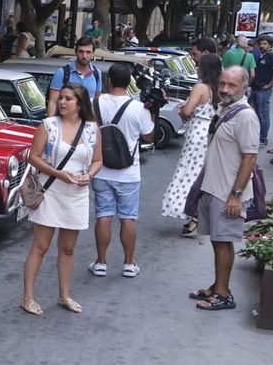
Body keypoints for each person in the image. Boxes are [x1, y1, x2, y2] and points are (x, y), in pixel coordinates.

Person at [20, 83, 101, 315]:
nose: (62, 102)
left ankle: (64, 295)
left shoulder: (92, 129)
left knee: (68, 248)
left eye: (69, 99)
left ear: (80, 103)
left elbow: (98, 160)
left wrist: (89, 175)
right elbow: (33, 158)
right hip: (51, 190)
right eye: (61, 98)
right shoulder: (48, 125)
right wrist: (59, 174)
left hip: (77, 193)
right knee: (41, 246)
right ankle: (28, 297)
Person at [189, 65, 260, 311]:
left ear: (244, 87)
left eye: (232, 85)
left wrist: (236, 195)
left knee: (223, 241)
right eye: (223, 84)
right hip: (214, 188)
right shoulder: (224, 108)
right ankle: (218, 286)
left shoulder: (246, 116)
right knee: (218, 241)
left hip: (228, 193)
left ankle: (223, 294)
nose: (225, 89)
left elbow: (250, 157)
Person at [89, 64, 153, 279]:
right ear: (129, 83)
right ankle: (128, 263)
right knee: (128, 218)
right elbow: (149, 136)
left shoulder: (94, 103)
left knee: (103, 216)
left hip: (100, 169)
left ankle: (101, 263)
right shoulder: (138, 108)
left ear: (109, 81)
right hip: (129, 173)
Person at [161, 54, 221, 237]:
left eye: (199, 65)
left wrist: (183, 109)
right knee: (202, 174)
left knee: (189, 173)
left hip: (197, 133)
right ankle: (199, 215)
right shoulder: (218, 88)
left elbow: (188, 111)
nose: (196, 68)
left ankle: (193, 214)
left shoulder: (200, 87)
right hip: (211, 133)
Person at [250, 35, 273, 148]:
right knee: (257, 114)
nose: (262, 45)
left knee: (263, 115)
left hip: (264, 90)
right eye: (261, 43)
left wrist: (270, 85)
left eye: (265, 44)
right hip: (256, 88)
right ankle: (258, 137)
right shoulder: (262, 55)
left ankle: (263, 139)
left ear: (270, 45)